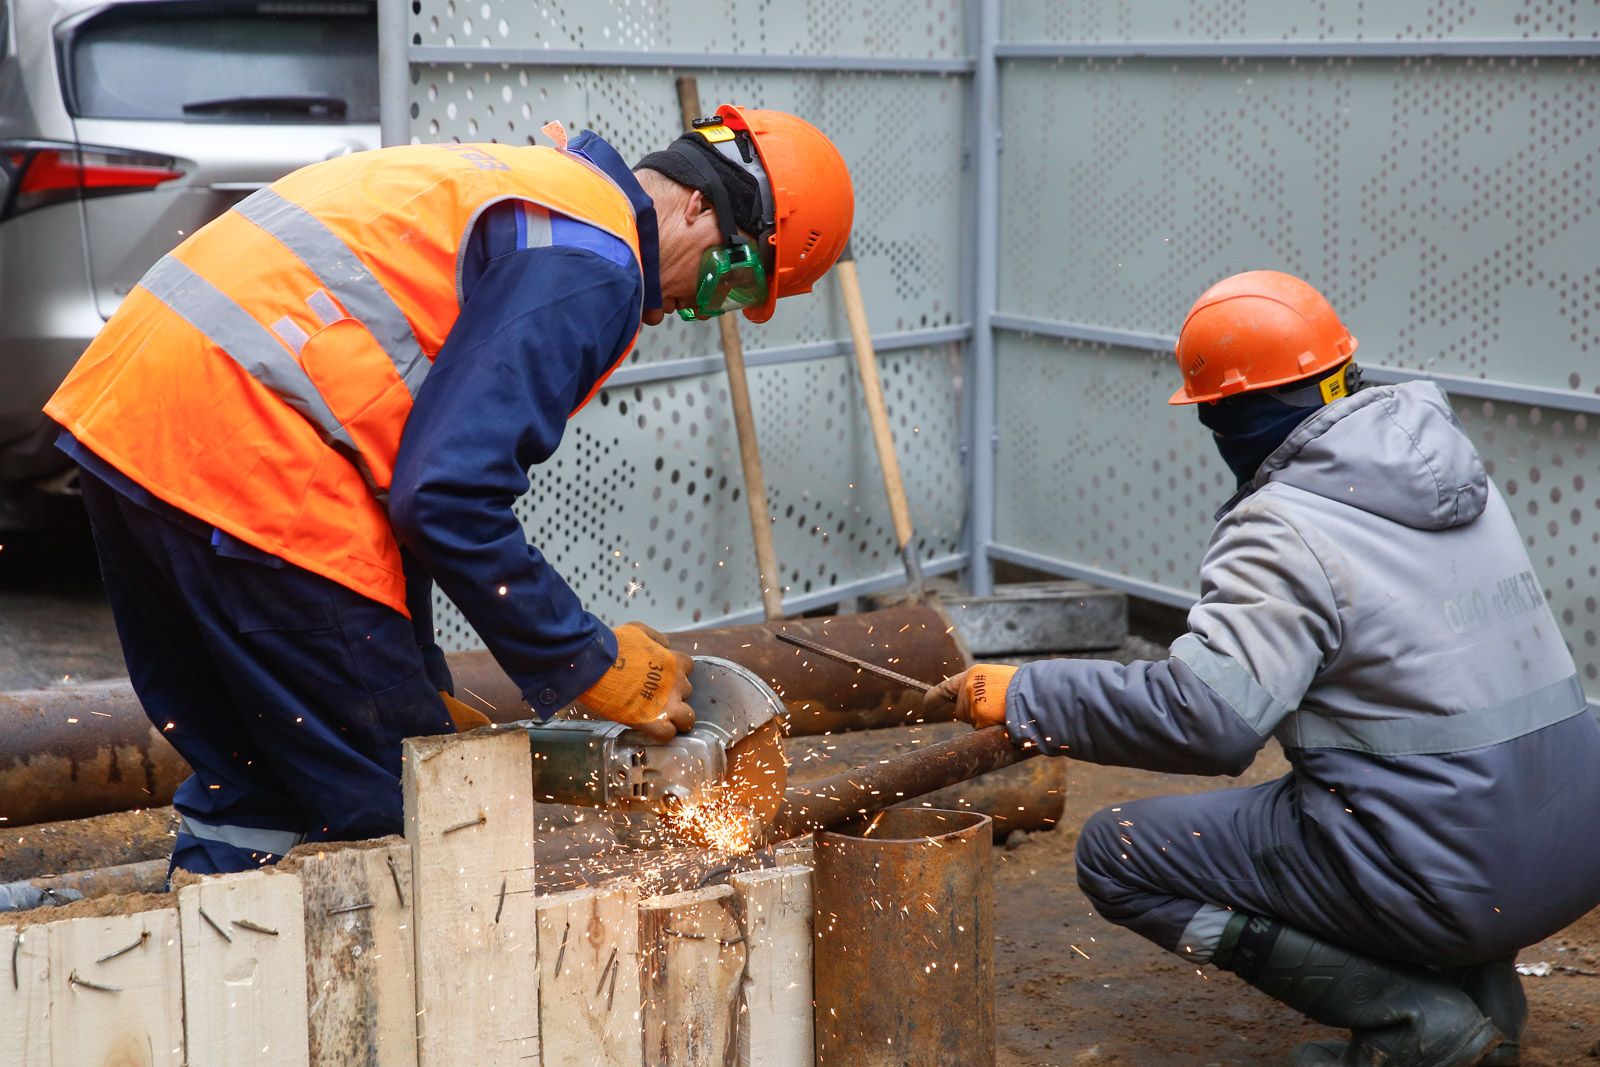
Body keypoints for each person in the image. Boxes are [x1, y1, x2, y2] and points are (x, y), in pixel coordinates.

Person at [45, 106, 853, 875]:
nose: (691, 311)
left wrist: (418, 670)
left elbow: (401, 457)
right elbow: (446, 495)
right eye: (727, 286)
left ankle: (211, 981)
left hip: (129, 430)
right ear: (699, 211)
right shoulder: (594, 262)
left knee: (252, 777)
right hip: (251, 464)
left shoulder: (540, 192)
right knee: (410, 815)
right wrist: (586, 661)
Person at [927, 270, 1600, 1067]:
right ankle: (1488, 1002)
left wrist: (1029, 692)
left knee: (1119, 852)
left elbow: (1208, 719)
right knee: (1388, 789)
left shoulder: (1286, 523)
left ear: (1225, 414)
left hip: (1450, 869)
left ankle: (1419, 1025)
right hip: (1571, 843)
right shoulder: (1459, 481)